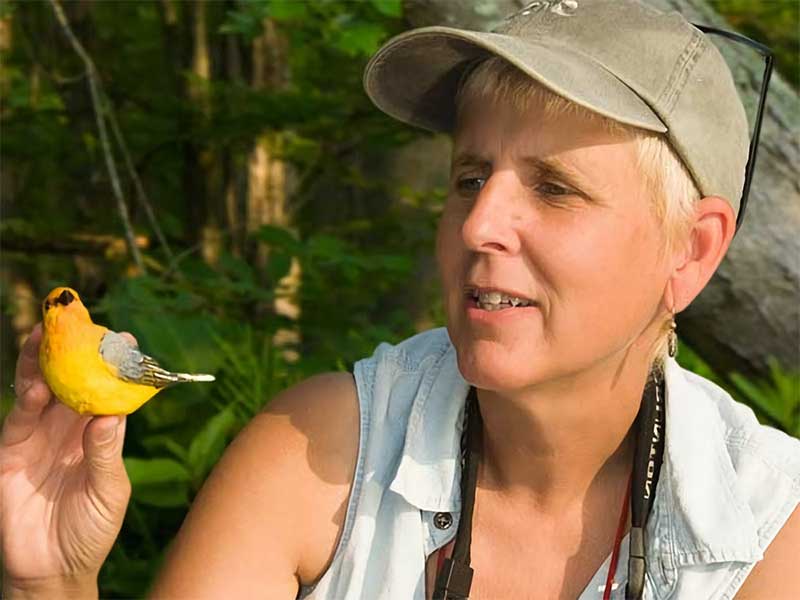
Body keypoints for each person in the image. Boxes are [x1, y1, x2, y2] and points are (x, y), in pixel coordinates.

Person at [2, 1, 799, 598]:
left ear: (690, 253)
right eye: (469, 177)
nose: (480, 223)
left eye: (555, 188)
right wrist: (48, 586)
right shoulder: (317, 455)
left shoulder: (769, 533)